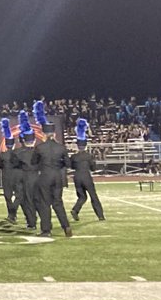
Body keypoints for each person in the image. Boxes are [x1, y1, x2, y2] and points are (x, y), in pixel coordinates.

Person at [30, 101, 72, 238]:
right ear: (54, 134)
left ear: (43, 134)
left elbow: (33, 162)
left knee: (44, 203)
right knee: (58, 202)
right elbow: (68, 163)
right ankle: (66, 226)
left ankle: (46, 230)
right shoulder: (61, 147)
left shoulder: (40, 147)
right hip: (58, 177)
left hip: (45, 177)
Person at [70, 119, 104, 222]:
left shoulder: (74, 156)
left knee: (82, 197)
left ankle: (75, 210)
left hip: (77, 177)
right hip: (86, 177)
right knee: (93, 196)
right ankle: (100, 215)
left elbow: (71, 166)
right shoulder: (89, 156)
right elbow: (93, 168)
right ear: (85, 146)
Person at [11, 111, 38, 230]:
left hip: (25, 178)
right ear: (34, 140)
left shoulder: (18, 153)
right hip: (38, 178)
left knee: (27, 201)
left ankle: (31, 222)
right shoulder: (39, 151)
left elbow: (14, 165)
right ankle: (44, 223)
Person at [0, 118, 20, 224]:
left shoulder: (2, 155)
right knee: (19, 195)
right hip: (16, 177)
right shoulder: (18, 153)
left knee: (8, 196)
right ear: (13, 145)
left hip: (6, 177)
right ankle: (13, 212)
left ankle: (11, 214)